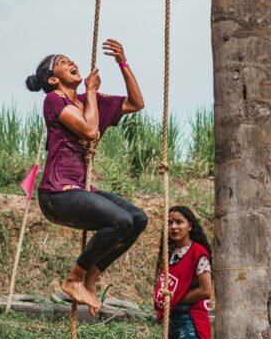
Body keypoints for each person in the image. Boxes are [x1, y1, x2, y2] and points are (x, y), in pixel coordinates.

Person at [25, 39, 147, 315]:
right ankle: (74, 278)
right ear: (54, 80)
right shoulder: (54, 100)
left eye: (71, 59)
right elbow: (90, 131)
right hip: (57, 195)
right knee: (119, 220)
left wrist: (123, 63)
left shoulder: (89, 101)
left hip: (80, 190)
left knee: (137, 219)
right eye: (63, 63)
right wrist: (91, 91)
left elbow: (136, 103)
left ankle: (91, 276)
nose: (71, 63)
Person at [154, 205, 212, 339]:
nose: (173, 226)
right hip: (173, 319)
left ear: (190, 226)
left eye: (179, 222)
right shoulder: (170, 253)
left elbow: (206, 291)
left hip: (190, 321)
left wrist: (175, 299)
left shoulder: (198, 253)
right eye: (169, 223)